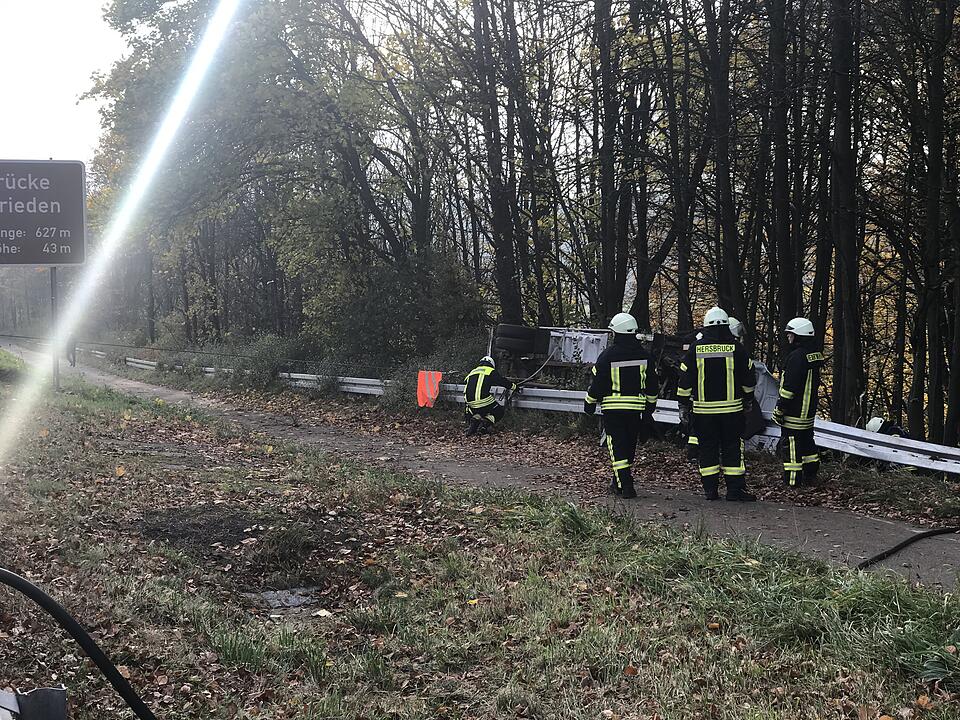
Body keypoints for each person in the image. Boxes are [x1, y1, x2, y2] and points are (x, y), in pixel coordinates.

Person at [677, 307, 757, 502]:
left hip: (704, 413)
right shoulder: (737, 348)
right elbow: (749, 379)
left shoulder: (696, 348)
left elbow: (685, 379)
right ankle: (734, 491)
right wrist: (748, 400)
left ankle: (710, 491)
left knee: (707, 449)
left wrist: (683, 404)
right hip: (732, 412)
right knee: (732, 449)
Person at [583, 312, 658, 499]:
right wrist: (649, 409)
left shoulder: (607, 355)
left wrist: (589, 403)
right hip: (636, 409)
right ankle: (618, 482)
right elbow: (652, 385)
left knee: (617, 446)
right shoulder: (645, 355)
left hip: (613, 408)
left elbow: (598, 383)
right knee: (629, 445)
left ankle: (625, 484)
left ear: (616, 333)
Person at [773, 317, 824, 487]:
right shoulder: (815, 354)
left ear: (799, 335)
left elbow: (789, 388)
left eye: (791, 334)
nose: (788, 337)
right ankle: (811, 476)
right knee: (808, 444)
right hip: (808, 411)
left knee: (792, 446)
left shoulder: (797, 357)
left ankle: (792, 482)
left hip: (795, 411)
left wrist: (780, 408)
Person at [463, 355, 517, 436]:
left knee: (481, 410)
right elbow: (501, 381)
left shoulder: (472, 372)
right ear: (492, 364)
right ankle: (484, 426)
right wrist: (514, 387)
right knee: (499, 411)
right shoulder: (490, 371)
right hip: (483, 401)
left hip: (470, 403)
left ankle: (475, 421)